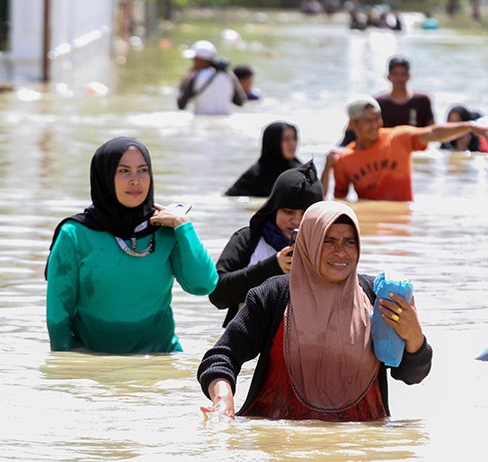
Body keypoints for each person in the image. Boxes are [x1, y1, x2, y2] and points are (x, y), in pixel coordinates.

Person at [197, 201, 433, 421]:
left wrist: (414, 337)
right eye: (329, 241)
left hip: (360, 442)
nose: (340, 251)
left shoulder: (375, 296)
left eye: (349, 241)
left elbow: (412, 376)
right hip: (281, 439)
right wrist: (223, 401)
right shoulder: (273, 296)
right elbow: (221, 357)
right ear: (309, 242)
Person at [45, 137, 219, 354]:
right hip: (95, 361)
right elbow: (58, 316)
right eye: (124, 171)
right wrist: (72, 365)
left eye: (143, 170)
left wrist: (184, 227)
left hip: (161, 360)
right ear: (105, 176)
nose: (135, 180)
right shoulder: (75, 234)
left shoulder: (165, 230)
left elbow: (203, 285)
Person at [210, 161, 323, 327]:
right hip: (248, 337)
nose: (297, 221)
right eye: (288, 212)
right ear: (274, 209)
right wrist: (273, 266)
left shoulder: (327, 248)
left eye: (306, 214)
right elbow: (217, 294)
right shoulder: (248, 239)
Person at [322, 95, 488, 201]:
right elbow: (337, 203)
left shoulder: (399, 138)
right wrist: (327, 168)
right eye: (368, 121)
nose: (375, 125)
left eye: (377, 118)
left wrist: (469, 126)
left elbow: (433, 133)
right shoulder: (345, 160)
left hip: (403, 226)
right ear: (353, 124)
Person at [338, 55, 434, 146]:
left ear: (409, 76)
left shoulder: (422, 100)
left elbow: (432, 130)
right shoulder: (377, 103)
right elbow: (357, 128)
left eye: (403, 74)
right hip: (385, 149)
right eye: (395, 74)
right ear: (388, 76)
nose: (399, 78)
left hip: (416, 148)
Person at [224, 121, 302, 197]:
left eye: (294, 138)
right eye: (286, 139)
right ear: (273, 143)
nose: (292, 144)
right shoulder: (254, 176)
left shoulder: (301, 172)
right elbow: (228, 197)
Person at [177, 40, 246, 115]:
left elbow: (181, 105)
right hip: (224, 120)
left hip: (201, 120)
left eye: (194, 59)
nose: (193, 62)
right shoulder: (229, 75)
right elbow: (240, 102)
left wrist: (186, 78)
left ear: (200, 59)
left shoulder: (195, 77)